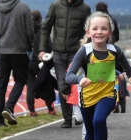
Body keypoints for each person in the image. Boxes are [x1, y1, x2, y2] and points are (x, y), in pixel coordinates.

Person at [65, 11, 131, 140]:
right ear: (88, 32)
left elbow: (126, 66)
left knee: (99, 120)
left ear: (110, 33)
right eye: (95, 28)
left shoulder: (114, 51)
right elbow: (68, 75)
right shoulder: (84, 51)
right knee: (90, 135)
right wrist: (79, 80)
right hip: (88, 97)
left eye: (104, 28)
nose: (99, 31)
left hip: (108, 95)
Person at [38, 0, 91, 128]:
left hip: (76, 53)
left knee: (78, 84)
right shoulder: (56, 6)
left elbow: (88, 31)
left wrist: (86, 47)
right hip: (59, 53)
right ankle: (67, 118)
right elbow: (45, 28)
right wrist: (42, 49)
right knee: (63, 84)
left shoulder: (84, 8)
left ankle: (79, 113)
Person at [0, 0, 34, 127]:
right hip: (19, 51)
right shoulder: (23, 7)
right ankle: (9, 107)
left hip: (2, 52)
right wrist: (30, 47)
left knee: (1, 85)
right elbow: (30, 31)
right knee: (20, 80)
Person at [26, 10, 56, 117]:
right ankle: (50, 108)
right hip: (41, 62)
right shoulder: (43, 31)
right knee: (47, 84)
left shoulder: (26, 29)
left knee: (30, 86)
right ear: (40, 19)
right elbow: (49, 48)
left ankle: (32, 110)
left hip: (28, 62)